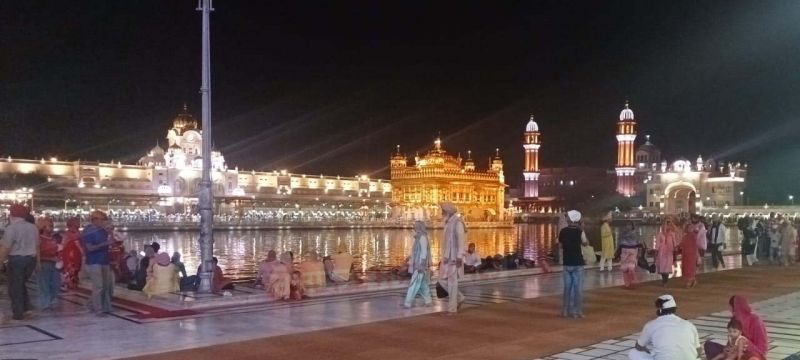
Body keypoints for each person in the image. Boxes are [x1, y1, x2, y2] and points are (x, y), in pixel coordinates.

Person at [628, 294, 701, 360]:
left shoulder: (651, 325)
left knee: (633, 353)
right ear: (675, 309)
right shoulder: (689, 325)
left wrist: (650, 351)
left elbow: (639, 346)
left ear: (659, 311)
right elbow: (698, 351)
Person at [0, 204, 39, 320]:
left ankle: (18, 313)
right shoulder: (33, 227)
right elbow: (37, 246)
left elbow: (6, 247)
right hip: (31, 260)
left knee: (14, 287)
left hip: (17, 260)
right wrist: (38, 263)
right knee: (21, 284)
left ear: (12, 215)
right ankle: (27, 308)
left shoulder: (11, 228)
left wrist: (0, 261)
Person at [705, 295, 769, 360]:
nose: (730, 311)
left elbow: (762, 348)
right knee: (709, 345)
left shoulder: (755, 320)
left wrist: (747, 346)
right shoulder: (735, 319)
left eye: (731, 308)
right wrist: (727, 349)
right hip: (735, 352)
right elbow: (731, 340)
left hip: (752, 354)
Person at [81, 210, 114, 315]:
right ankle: (98, 309)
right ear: (94, 220)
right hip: (94, 261)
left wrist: (110, 233)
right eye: (102, 219)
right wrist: (105, 244)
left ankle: (104, 306)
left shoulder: (103, 230)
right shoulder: (88, 231)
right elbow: (89, 248)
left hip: (104, 260)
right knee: (98, 286)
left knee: (106, 285)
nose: (104, 222)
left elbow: (112, 242)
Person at [558, 210, 588, 318]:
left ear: (569, 219)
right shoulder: (580, 232)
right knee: (578, 289)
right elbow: (585, 243)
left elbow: (560, 246)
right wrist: (582, 228)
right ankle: (577, 311)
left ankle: (565, 310)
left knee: (567, 289)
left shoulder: (563, 231)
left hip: (567, 263)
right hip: (578, 263)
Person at [438, 202, 466, 314]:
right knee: (441, 280)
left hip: (454, 258)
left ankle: (452, 308)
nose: (441, 213)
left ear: (448, 211)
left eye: (443, 211)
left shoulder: (457, 223)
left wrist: (459, 256)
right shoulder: (448, 222)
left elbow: (461, 240)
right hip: (447, 257)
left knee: (452, 283)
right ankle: (459, 298)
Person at [403, 220, 432, 308]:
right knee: (422, 284)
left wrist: (421, 264)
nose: (414, 227)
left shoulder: (422, 237)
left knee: (414, 283)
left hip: (419, 265)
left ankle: (407, 302)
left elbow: (423, 252)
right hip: (418, 264)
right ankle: (428, 300)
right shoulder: (418, 237)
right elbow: (416, 251)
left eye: (415, 225)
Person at [37, 217, 62, 310]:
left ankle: (50, 301)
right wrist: (50, 258)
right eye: (50, 226)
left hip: (54, 264)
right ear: (43, 227)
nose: (51, 227)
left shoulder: (53, 238)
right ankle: (45, 304)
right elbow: (37, 254)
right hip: (44, 264)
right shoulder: (39, 239)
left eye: (52, 225)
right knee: (44, 285)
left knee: (56, 284)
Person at [617, 221, 643, 289]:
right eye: (627, 225)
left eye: (630, 225)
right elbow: (619, 243)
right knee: (624, 268)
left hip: (632, 251)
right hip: (624, 251)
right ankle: (627, 284)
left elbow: (639, 242)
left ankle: (632, 281)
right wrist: (618, 252)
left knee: (631, 267)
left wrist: (639, 252)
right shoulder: (623, 234)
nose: (628, 226)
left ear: (632, 226)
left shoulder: (635, 233)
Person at [61, 217, 83, 291]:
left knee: (75, 270)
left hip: (75, 254)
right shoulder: (69, 233)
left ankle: (73, 284)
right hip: (70, 254)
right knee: (71, 270)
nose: (79, 225)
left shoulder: (74, 233)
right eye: (77, 223)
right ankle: (69, 285)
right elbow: (76, 239)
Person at [655, 217, 677, 287]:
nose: (667, 226)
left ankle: (665, 281)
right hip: (661, 252)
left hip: (669, 251)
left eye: (669, 225)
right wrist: (656, 251)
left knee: (667, 266)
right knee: (662, 266)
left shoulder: (672, 234)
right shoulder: (660, 234)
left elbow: (675, 242)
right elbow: (657, 243)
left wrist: (675, 249)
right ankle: (664, 280)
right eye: (666, 224)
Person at [679, 223, 700, 288]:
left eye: (691, 228)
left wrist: (697, 256)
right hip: (685, 255)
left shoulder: (694, 236)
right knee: (686, 268)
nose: (690, 229)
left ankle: (689, 281)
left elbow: (696, 246)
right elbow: (682, 244)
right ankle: (692, 280)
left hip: (692, 255)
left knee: (690, 268)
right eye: (689, 228)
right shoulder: (685, 237)